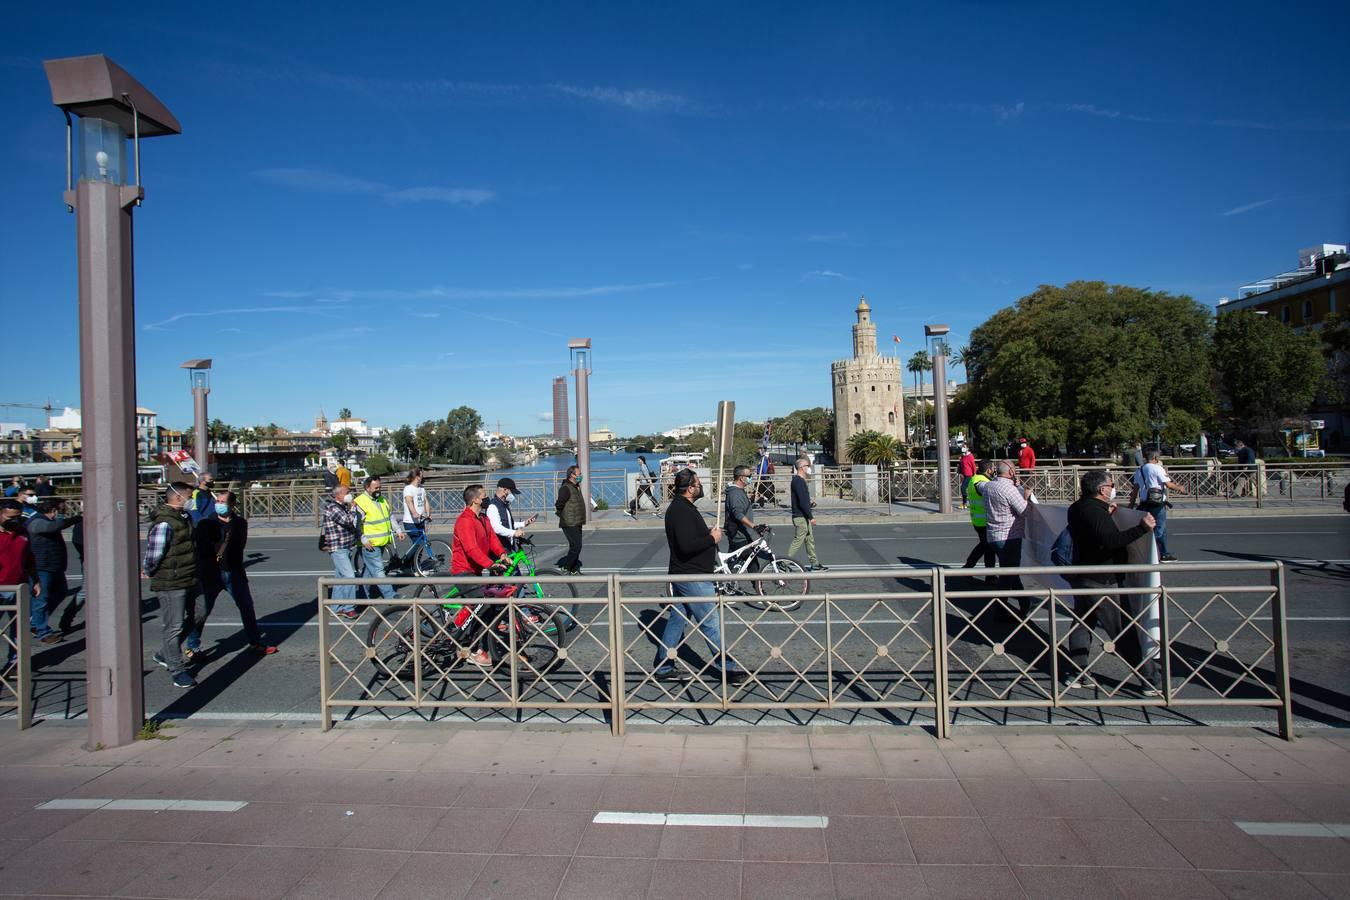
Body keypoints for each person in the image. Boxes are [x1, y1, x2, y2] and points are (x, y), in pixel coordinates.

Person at [1063, 469, 1158, 693]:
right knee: (1122, 631)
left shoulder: (1078, 507)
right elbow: (1110, 541)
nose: (1113, 488)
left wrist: (1107, 512)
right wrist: (1141, 528)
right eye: (1111, 485)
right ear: (1102, 489)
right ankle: (1150, 679)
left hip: (1082, 574)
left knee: (1083, 623)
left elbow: (1094, 531)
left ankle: (1078, 672)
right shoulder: (1094, 512)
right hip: (1101, 579)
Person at [654, 467, 746, 683]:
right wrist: (711, 539)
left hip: (686, 573)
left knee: (677, 620)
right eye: (697, 483)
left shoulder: (683, 507)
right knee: (710, 621)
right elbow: (686, 546)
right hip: (692, 575)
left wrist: (708, 535)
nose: (701, 486)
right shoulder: (680, 511)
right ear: (689, 488)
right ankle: (728, 668)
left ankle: (663, 665)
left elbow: (690, 538)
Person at [185, 490, 276, 657]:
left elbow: (239, 547)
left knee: (247, 607)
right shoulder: (207, 523)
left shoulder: (240, 523)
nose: (218, 504)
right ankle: (192, 645)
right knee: (202, 611)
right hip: (211, 574)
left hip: (234, 572)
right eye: (217, 501)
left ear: (232, 505)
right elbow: (201, 549)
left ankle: (255, 642)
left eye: (222, 501)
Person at [142, 482, 200, 689]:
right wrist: (148, 570)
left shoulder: (183, 517)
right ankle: (176, 670)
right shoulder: (165, 523)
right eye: (189, 496)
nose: (192, 499)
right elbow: (154, 552)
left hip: (189, 577)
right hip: (171, 581)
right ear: (177, 498)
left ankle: (163, 653)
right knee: (173, 626)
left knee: (199, 614)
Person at [451, 484, 513, 667]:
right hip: (463, 572)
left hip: (476, 572)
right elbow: (471, 549)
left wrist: (502, 554)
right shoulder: (464, 521)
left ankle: (474, 642)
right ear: (475, 499)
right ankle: (473, 649)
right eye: (484, 496)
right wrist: (491, 565)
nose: (487, 498)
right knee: (482, 605)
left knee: (486, 605)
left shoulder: (483, 518)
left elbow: (492, 539)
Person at [977, 460, 1032, 615]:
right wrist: (1026, 496)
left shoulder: (990, 485)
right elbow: (1024, 511)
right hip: (1009, 537)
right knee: (1008, 575)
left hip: (993, 535)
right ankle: (1001, 610)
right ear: (1011, 472)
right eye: (1015, 469)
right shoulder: (1009, 489)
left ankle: (1024, 603)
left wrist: (1016, 485)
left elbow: (979, 486)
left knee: (1010, 572)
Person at [25, 499, 80, 645]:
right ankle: (42, 631)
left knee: (60, 593)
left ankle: (36, 621)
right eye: (61, 510)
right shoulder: (37, 522)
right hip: (41, 567)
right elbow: (54, 527)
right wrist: (75, 519)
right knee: (41, 600)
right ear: (53, 510)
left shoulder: (43, 521)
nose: (61, 514)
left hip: (54, 567)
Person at [353, 475, 405, 606]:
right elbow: (356, 524)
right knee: (378, 570)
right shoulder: (360, 502)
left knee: (369, 571)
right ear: (367, 488)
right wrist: (363, 539)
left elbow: (390, 516)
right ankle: (391, 596)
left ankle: (362, 597)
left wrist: (398, 530)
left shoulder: (381, 499)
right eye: (376, 487)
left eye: (380, 487)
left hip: (381, 542)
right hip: (370, 544)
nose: (379, 490)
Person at [1, 500, 39, 668]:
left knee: (18, 629)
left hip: (19, 587)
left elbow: (29, 557)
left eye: (18, 517)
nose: (15, 520)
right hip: (1, 587)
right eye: (10, 517)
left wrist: (35, 580)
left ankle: (15, 663)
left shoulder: (22, 532)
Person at [1130, 449, 1185, 562]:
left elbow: (1135, 490)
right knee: (1159, 530)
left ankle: (1163, 553)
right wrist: (1180, 488)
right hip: (1157, 503)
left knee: (1155, 529)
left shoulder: (1139, 470)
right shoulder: (1157, 468)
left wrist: (1131, 504)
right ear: (1155, 458)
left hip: (1144, 503)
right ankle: (1154, 553)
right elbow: (1168, 484)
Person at [320, 485, 362, 618]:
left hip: (346, 546)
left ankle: (336, 607)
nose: (350, 494)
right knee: (350, 577)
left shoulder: (342, 506)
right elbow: (348, 521)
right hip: (338, 548)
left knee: (340, 578)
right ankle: (348, 608)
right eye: (347, 492)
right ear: (338, 495)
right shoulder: (333, 508)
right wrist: (354, 508)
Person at [787, 457, 827, 571]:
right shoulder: (798, 481)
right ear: (801, 468)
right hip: (800, 517)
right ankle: (784, 563)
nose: (809, 468)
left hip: (803, 516)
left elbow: (804, 499)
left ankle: (815, 563)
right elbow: (802, 502)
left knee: (810, 540)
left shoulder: (799, 481)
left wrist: (810, 503)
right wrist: (811, 517)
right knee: (798, 541)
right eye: (807, 466)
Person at [723, 465, 760, 587]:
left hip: (741, 533)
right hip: (740, 534)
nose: (751, 478)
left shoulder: (738, 491)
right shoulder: (735, 493)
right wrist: (753, 526)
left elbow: (741, 508)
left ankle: (726, 588)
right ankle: (758, 591)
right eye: (749, 476)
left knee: (737, 562)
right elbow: (738, 514)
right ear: (741, 478)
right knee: (751, 563)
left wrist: (749, 501)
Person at [961, 459, 997, 570]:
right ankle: (990, 577)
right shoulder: (982, 482)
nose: (995, 469)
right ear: (989, 469)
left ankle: (968, 567)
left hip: (978, 520)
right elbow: (993, 494)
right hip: (984, 521)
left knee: (984, 545)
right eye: (993, 468)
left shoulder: (974, 479)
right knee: (989, 548)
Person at [487, 477, 535, 553]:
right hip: (500, 549)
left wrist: (524, 523)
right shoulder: (493, 506)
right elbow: (496, 528)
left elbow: (508, 524)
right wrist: (514, 533)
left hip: (508, 546)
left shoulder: (504, 505)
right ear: (505, 490)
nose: (513, 495)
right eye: (512, 492)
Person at [555, 465, 585, 574]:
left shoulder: (576, 486)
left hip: (577, 521)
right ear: (572, 475)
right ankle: (566, 567)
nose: (580, 476)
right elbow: (559, 505)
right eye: (579, 474)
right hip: (569, 522)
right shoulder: (565, 488)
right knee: (576, 546)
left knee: (575, 546)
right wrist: (564, 516)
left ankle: (573, 569)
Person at [401, 468, 432, 554]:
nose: (423, 477)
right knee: (418, 544)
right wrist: (414, 513)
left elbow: (426, 502)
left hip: (420, 521)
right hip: (410, 522)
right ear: (417, 476)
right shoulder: (408, 488)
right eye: (421, 475)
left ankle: (415, 564)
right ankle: (407, 563)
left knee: (423, 544)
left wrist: (428, 515)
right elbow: (409, 501)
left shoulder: (422, 489)